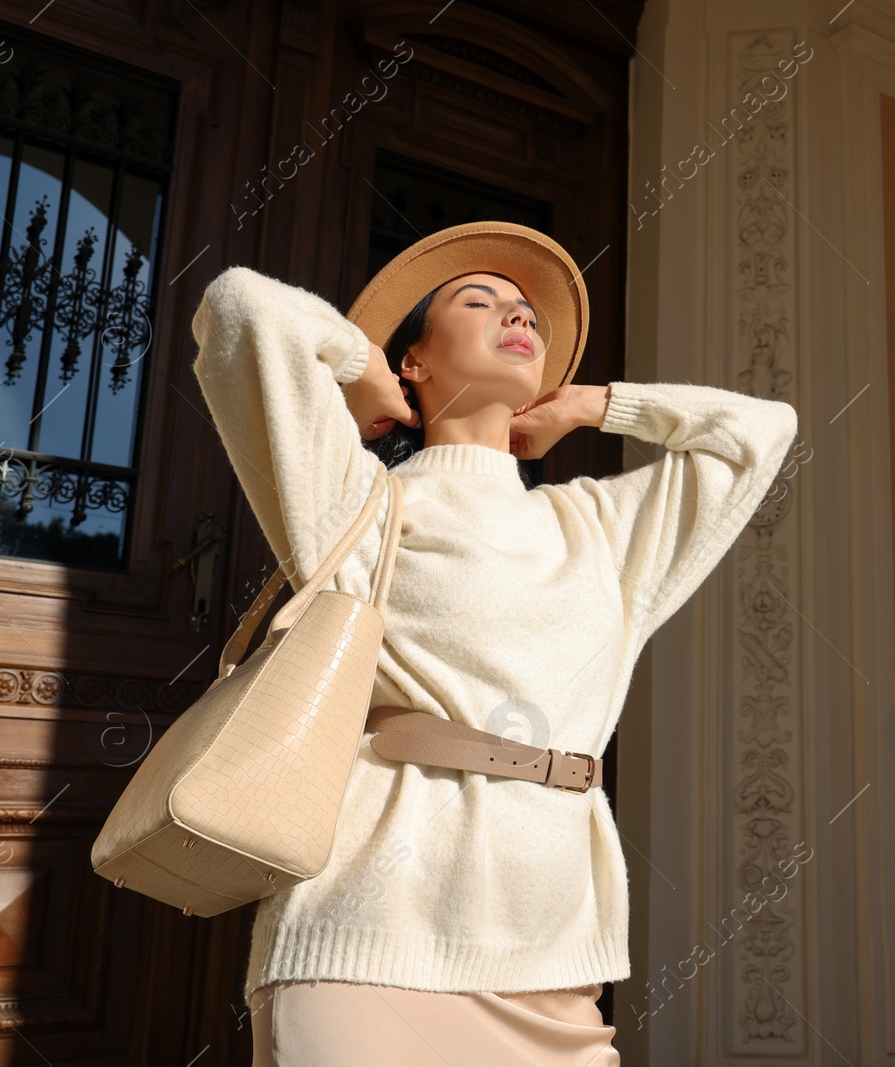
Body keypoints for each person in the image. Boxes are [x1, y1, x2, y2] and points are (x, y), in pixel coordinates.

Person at [188, 222, 799, 1065]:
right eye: (479, 302)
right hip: (364, 944)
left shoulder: (603, 528)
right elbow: (238, 310)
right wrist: (356, 361)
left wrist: (597, 403)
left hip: (551, 965)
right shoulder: (358, 503)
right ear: (416, 359)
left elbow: (763, 430)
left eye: (528, 314)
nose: (518, 316)